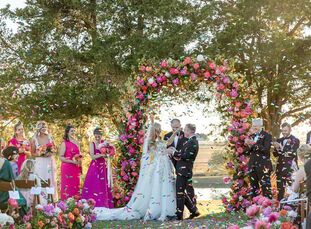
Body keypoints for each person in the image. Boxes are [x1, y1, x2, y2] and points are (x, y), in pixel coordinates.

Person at [95, 117, 176, 221]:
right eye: (158, 129)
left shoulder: (160, 141)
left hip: (162, 169)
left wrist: (175, 132)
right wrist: (151, 124)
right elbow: (150, 154)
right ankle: (153, 210)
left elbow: (168, 142)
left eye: (159, 129)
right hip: (154, 170)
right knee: (154, 188)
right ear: (154, 130)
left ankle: (163, 210)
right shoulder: (149, 141)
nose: (159, 131)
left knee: (162, 189)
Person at [172, 123, 200, 220]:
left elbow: (187, 155)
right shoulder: (190, 141)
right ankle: (193, 210)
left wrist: (173, 152)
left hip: (184, 170)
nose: (184, 132)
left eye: (185, 130)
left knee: (179, 192)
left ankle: (179, 215)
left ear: (189, 131)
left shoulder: (193, 142)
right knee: (181, 192)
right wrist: (176, 154)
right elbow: (183, 154)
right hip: (182, 170)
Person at [81, 127, 113, 208]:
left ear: (101, 135)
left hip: (103, 166)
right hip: (95, 166)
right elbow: (92, 156)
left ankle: (104, 204)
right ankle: (94, 204)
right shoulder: (92, 143)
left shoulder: (104, 143)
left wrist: (109, 153)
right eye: (96, 136)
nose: (97, 137)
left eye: (99, 135)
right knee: (95, 184)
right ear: (94, 135)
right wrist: (102, 154)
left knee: (103, 184)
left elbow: (109, 152)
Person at [244, 118, 272, 199]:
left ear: (261, 126)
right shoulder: (251, 136)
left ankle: (267, 207)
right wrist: (248, 145)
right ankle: (255, 208)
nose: (254, 128)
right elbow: (247, 153)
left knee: (265, 188)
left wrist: (253, 143)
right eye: (253, 126)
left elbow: (266, 149)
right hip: (252, 165)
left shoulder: (267, 136)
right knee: (254, 188)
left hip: (263, 166)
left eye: (256, 126)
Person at [30, 121, 58, 202]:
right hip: (40, 162)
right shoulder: (34, 139)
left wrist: (50, 152)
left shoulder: (50, 137)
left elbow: (55, 149)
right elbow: (32, 153)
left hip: (49, 161)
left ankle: (52, 200)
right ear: (38, 128)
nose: (43, 128)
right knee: (40, 180)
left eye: (45, 127)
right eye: (42, 127)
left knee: (51, 180)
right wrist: (40, 154)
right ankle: (41, 201)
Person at [273, 122, 300, 200]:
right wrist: (277, 148)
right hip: (280, 167)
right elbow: (275, 154)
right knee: (280, 188)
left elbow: (292, 153)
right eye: (283, 130)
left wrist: (281, 148)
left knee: (291, 188)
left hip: (290, 167)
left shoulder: (295, 140)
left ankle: (292, 205)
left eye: (286, 130)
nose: (284, 132)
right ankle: (280, 205)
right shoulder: (279, 140)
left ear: (290, 130)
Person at [0, 146, 27, 214]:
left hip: (3, 191)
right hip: (5, 196)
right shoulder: (8, 164)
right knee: (22, 200)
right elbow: (12, 179)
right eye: (15, 154)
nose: (17, 155)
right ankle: (22, 218)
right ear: (10, 156)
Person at [59, 125, 82, 200]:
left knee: (76, 185)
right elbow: (61, 157)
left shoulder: (77, 142)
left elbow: (79, 154)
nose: (73, 132)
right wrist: (72, 161)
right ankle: (66, 205)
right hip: (67, 167)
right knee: (67, 186)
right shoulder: (64, 143)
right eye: (71, 131)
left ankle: (76, 205)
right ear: (67, 132)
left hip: (76, 167)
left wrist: (79, 161)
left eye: (74, 131)